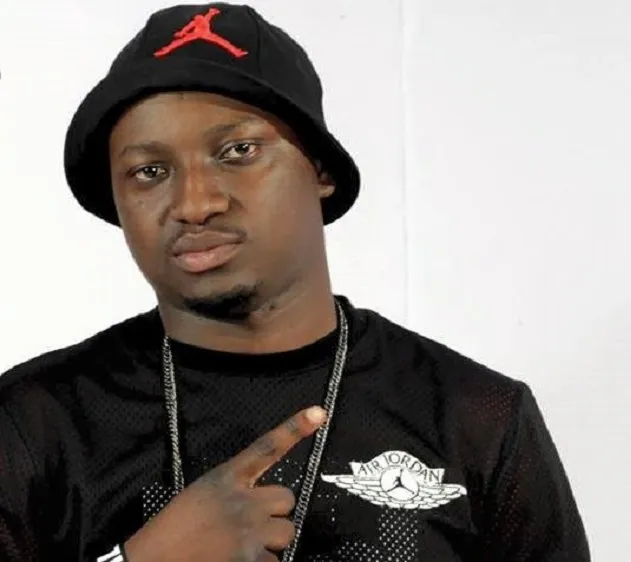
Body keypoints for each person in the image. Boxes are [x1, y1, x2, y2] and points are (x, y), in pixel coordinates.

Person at [0, 3, 590, 562]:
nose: (194, 204)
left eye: (238, 150)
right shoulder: (32, 423)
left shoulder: (477, 417)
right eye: (149, 171)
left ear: (321, 169)